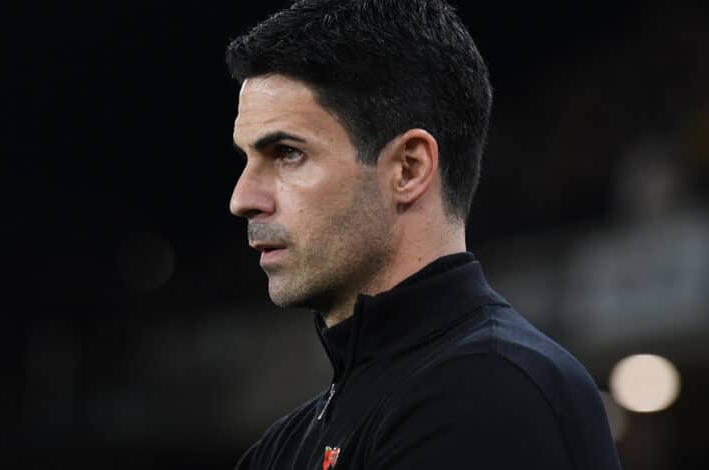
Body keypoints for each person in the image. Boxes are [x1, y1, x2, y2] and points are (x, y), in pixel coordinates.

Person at [226, 1, 621, 468]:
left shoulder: (490, 393)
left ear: (408, 170)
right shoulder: (282, 448)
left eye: (287, 153)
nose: (242, 198)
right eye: (246, 159)